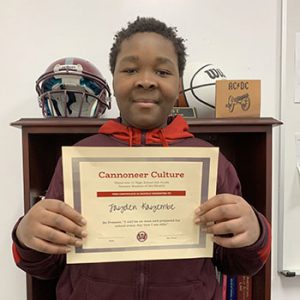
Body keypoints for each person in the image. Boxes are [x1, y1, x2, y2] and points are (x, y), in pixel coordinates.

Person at [12, 17, 271, 300]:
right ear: (113, 79)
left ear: (180, 83)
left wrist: (255, 231)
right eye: (131, 69)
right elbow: (46, 266)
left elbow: (240, 263)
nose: (146, 81)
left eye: (162, 71)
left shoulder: (212, 164)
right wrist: (25, 236)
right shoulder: (80, 160)